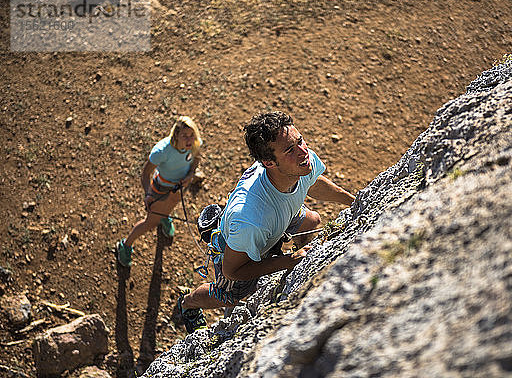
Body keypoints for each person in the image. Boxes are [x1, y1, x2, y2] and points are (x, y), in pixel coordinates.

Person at [177, 111, 355, 333]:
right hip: (241, 246)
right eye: (290, 149)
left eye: (300, 141)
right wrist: (289, 261)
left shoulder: (300, 164)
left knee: (312, 220)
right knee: (230, 296)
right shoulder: (251, 220)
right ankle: (187, 304)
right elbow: (232, 271)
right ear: (268, 162)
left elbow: (313, 182)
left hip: (276, 220)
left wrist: (354, 201)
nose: (303, 152)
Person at [116, 116, 203, 268]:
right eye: (185, 136)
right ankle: (125, 245)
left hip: (179, 187)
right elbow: (145, 174)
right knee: (150, 222)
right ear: (176, 135)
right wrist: (148, 195)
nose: (189, 140)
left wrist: (190, 175)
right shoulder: (161, 151)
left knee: (170, 207)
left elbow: (196, 159)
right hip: (160, 189)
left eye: (191, 135)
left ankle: (165, 217)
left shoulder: (195, 144)